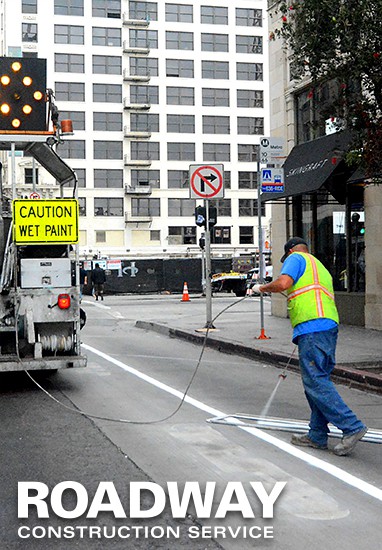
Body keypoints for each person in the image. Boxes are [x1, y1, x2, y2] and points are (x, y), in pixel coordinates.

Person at [252, 237, 367, 456]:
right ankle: (317, 435)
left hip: (313, 327)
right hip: (326, 326)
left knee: (315, 381)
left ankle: (352, 427)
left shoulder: (296, 258)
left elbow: (284, 283)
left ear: (291, 250)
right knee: (316, 382)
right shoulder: (319, 265)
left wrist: (262, 287)